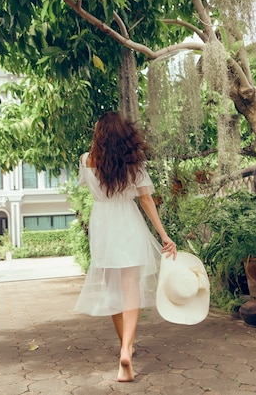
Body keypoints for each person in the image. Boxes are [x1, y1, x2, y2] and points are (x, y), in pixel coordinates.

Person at [73, 110, 177, 382]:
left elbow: (88, 187)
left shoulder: (86, 161)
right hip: (128, 223)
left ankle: (126, 346)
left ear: (100, 135)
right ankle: (126, 351)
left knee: (113, 292)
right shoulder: (134, 163)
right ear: (123, 134)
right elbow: (145, 200)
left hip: (103, 226)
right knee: (131, 291)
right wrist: (164, 235)